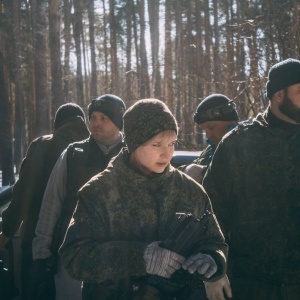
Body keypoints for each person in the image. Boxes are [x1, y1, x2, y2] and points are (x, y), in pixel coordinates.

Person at [59, 98, 228, 300]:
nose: (167, 154)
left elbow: (215, 242)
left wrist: (212, 259)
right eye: (157, 144)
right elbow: (74, 257)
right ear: (134, 143)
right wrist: (139, 257)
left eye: (172, 143)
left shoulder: (190, 190)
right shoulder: (99, 191)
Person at [202, 58, 300, 300]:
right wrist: (213, 270)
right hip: (252, 283)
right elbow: (211, 211)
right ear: (278, 95)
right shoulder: (239, 143)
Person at [32, 94, 126, 300]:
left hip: (121, 257)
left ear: (119, 123)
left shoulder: (132, 156)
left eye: (104, 118)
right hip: (73, 255)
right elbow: (51, 204)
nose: (95, 123)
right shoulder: (73, 153)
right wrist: (41, 252)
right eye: (92, 117)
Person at [0, 103, 89, 300]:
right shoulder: (95, 150)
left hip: (37, 242)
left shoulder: (44, 145)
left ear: (57, 123)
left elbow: (23, 194)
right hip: (80, 245)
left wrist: (6, 231)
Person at [180, 94, 241, 183]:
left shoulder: (248, 147)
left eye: (211, 127)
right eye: (204, 130)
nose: (208, 135)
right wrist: (186, 170)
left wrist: (207, 175)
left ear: (231, 122)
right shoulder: (211, 150)